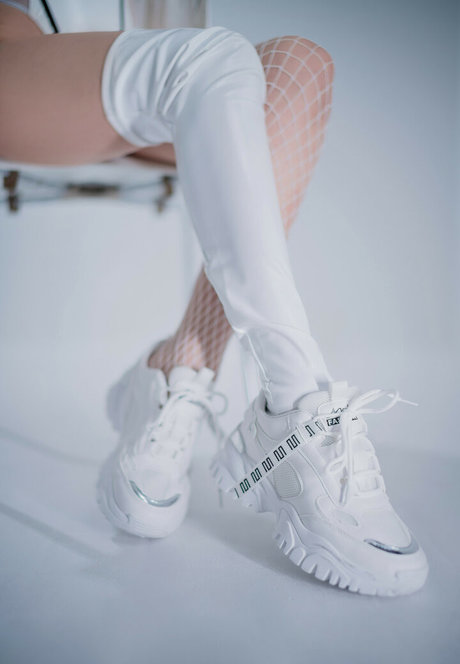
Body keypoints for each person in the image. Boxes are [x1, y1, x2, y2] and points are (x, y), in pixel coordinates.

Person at [0, 1, 428, 596]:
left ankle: (183, 364)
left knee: (301, 65)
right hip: (19, 57)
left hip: (136, 89)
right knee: (209, 59)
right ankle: (295, 403)